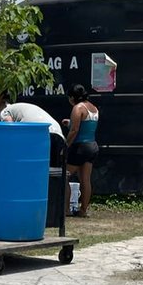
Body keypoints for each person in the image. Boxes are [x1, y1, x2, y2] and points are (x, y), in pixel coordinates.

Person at [64, 84, 100, 217]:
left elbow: (75, 130)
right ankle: (83, 210)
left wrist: (66, 145)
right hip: (92, 146)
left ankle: (66, 209)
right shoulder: (93, 108)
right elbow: (86, 126)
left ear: (72, 97)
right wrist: (70, 123)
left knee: (64, 176)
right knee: (85, 179)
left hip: (80, 147)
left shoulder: (77, 108)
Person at [0, 101, 66, 168]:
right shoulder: (22, 107)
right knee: (53, 169)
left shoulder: (4, 111)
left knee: (34, 167)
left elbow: (10, 129)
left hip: (39, 134)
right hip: (58, 132)